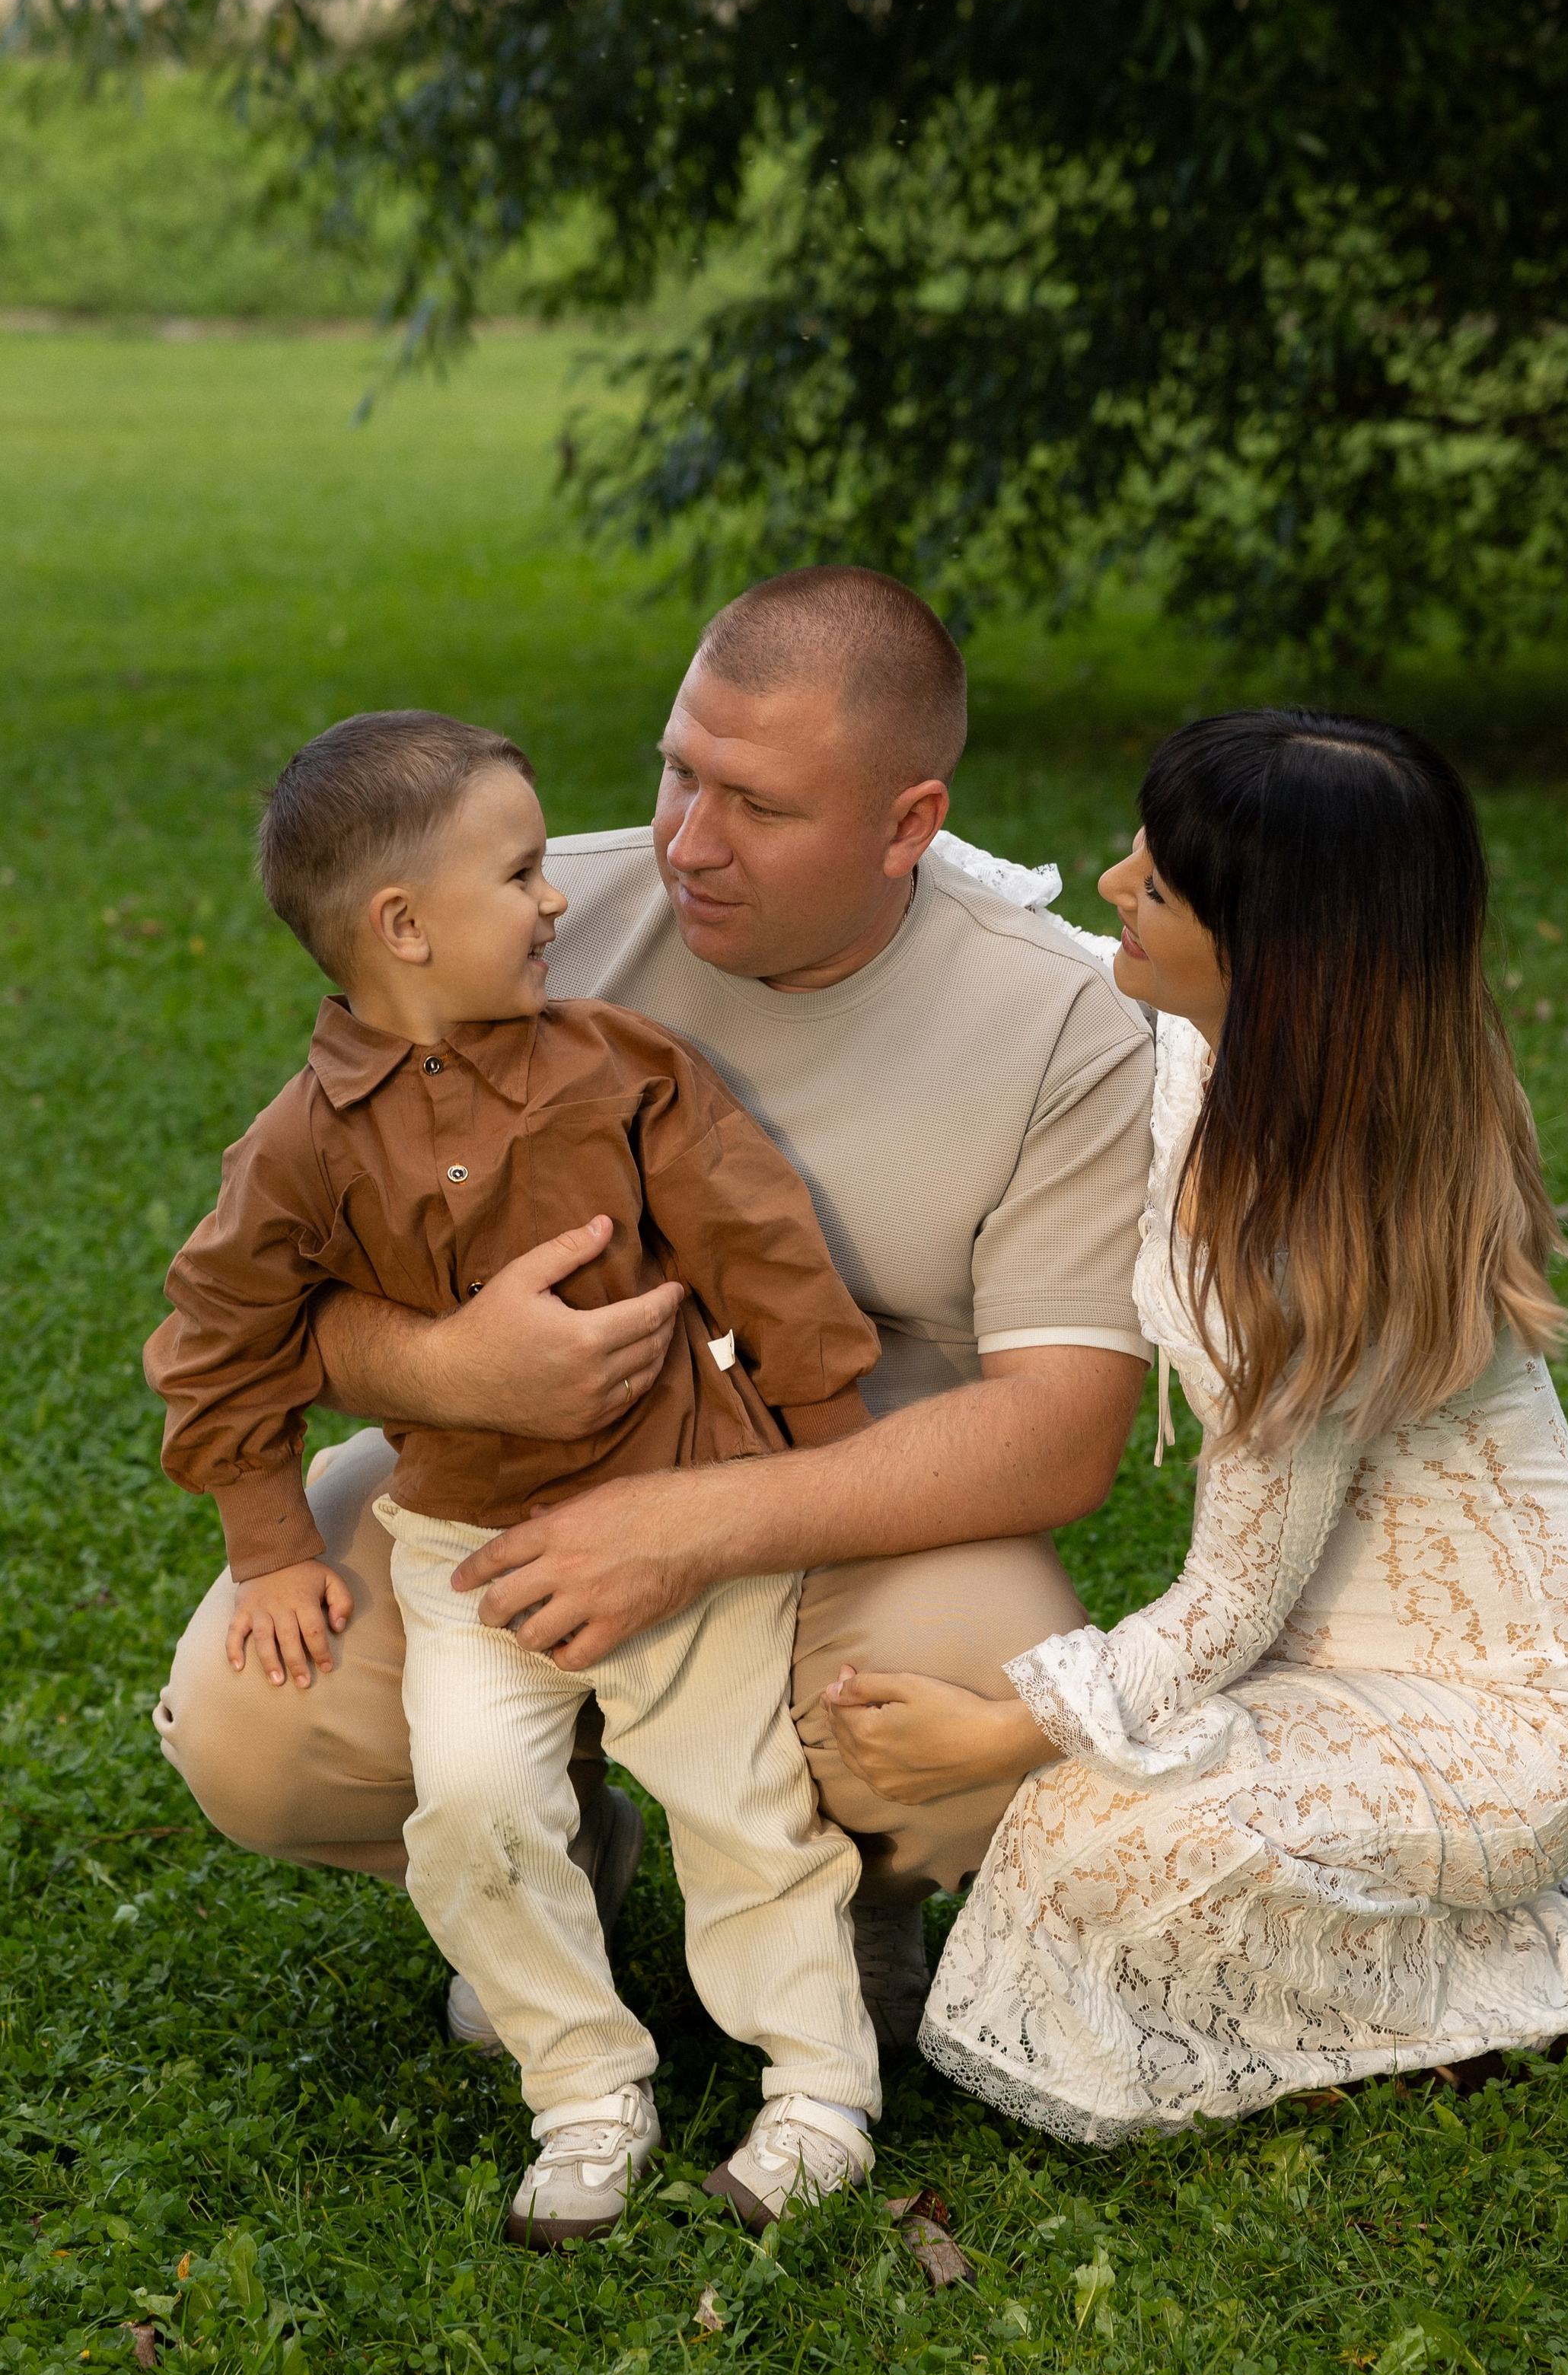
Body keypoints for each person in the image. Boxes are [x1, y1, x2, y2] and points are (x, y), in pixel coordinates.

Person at [151, 567, 1155, 2061]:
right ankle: (554, 1855)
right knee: (253, 1726)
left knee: (984, 1690)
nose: (688, 841)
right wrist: (447, 1364)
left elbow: (1061, 1436)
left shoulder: (1059, 1025)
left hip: (843, 1522)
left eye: (757, 804)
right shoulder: (527, 908)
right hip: (488, 1489)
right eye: (677, 768)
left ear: (906, 824)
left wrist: (693, 1526)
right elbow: (264, 1285)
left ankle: (838, 1894)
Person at [823, 708, 1568, 2143]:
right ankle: (1391, 1914)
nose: (1108, 881)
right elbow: (1056, 955)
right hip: (1326, 1659)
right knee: (1085, 1828)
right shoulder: (1250, 1044)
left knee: (1086, 1843)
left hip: (1510, 1710)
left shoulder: (1313, 1248)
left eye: (1156, 881)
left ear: (1273, 955)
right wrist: (877, 826)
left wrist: (995, 1732)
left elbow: (1226, 1606)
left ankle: (1491, 1960)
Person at [149, 709, 887, 2242]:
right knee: (472, 1809)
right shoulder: (298, 1149)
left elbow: (759, 1243)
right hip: (465, 1547)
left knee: (737, 1801)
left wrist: (822, 1454)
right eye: (522, 871)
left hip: (676, 1505)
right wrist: (273, 1541)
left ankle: (817, 2089)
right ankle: (584, 2087)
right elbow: (222, 1333)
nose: (556, 900)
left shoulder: (622, 1070)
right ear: (401, 929)